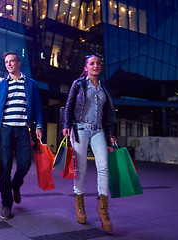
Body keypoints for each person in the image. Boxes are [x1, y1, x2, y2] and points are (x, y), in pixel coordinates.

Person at [62, 54, 117, 232]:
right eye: (91, 64)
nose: (95, 66)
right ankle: (79, 202)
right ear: (86, 68)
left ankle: (103, 208)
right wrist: (66, 125)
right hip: (80, 129)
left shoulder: (105, 88)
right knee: (82, 167)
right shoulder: (78, 84)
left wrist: (112, 134)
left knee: (103, 166)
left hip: (98, 130)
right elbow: (69, 105)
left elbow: (109, 113)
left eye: (98, 63)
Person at [0, 52, 43, 220]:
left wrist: (38, 126)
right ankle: (6, 204)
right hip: (5, 130)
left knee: (25, 164)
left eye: (12, 61)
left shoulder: (31, 84)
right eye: (6, 62)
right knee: (4, 167)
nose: (9, 64)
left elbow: (38, 107)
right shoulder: (1, 84)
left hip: (23, 130)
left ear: (19, 63)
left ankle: (16, 184)